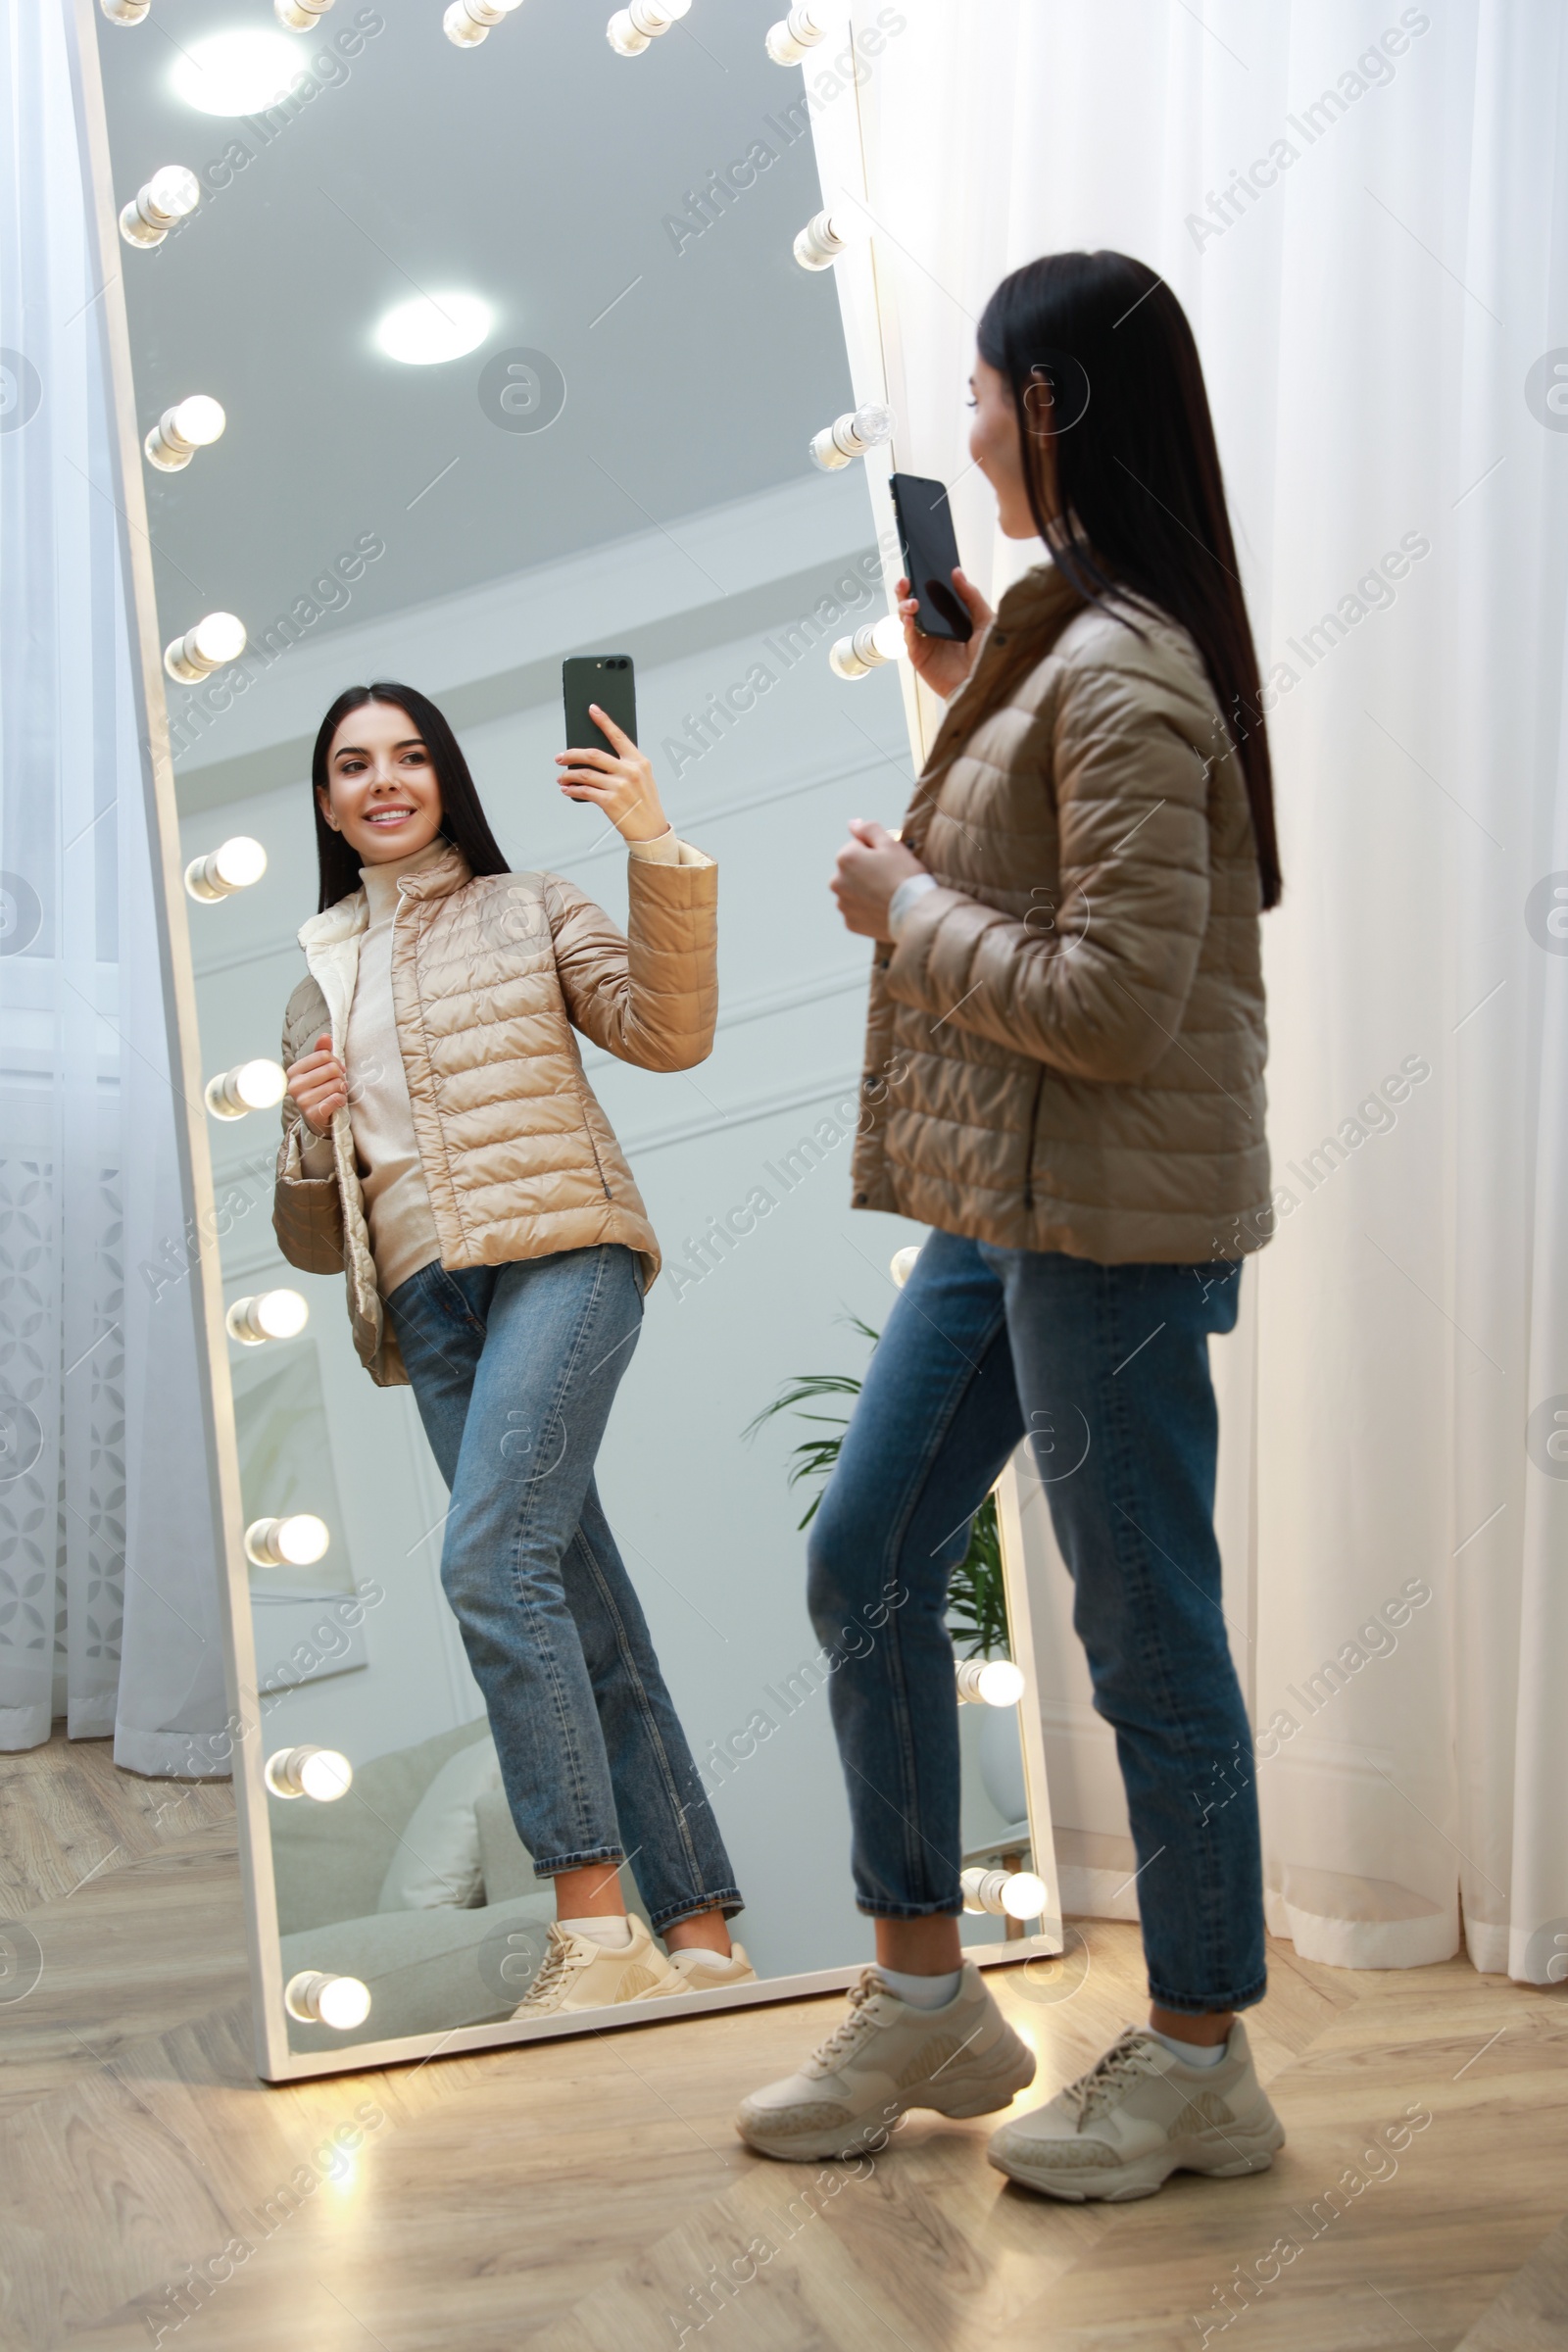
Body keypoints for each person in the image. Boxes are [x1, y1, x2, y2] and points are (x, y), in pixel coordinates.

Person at [738, 250, 1286, 2197]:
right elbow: (1074, 873)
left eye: (978, 388)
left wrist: (899, 906)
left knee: (1143, 1631)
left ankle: (1201, 2053)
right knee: (865, 1549)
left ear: (1045, 405)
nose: (960, 424)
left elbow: (1111, 1010)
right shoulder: (1063, 647)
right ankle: (923, 1994)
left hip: (1110, 1229)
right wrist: (970, 692)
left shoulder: (1127, 668)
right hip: (1008, 1205)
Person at [271, 681, 754, 2014]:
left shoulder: (531, 902)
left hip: (563, 1256)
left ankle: (595, 1935)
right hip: (429, 1312)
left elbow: (669, 1032)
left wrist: (654, 843)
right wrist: (309, 1132)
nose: (384, 781)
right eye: (353, 765)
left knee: (490, 1561)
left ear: (445, 779)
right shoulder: (312, 989)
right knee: (574, 1597)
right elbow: (318, 1242)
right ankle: (700, 1928)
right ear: (325, 800)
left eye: (410, 757)